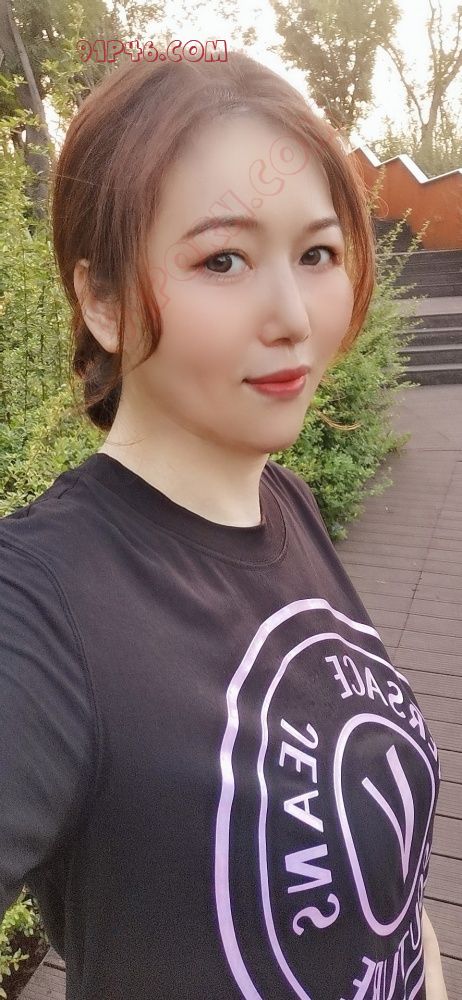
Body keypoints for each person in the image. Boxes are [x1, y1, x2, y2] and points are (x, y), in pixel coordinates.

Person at [0, 50, 448, 1000]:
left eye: (316, 254)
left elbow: (398, 901)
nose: (292, 317)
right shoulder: (40, 604)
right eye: (223, 260)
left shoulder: (286, 503)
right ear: (103, 301)